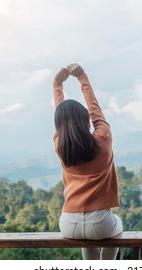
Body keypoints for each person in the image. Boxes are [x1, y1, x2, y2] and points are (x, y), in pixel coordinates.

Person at [52, 63, 123, 260]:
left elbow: (62, 117)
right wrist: (82, 77)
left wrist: (57, 85)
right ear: (85, 120)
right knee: (117, 229)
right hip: (100, 223)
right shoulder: (103, 139)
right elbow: (95, 109)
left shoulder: (61, 146)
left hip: (68, 224)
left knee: (88, 243)